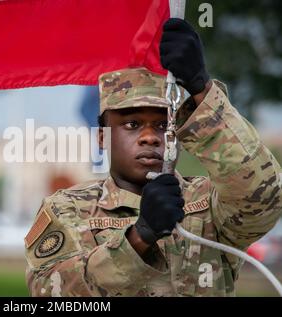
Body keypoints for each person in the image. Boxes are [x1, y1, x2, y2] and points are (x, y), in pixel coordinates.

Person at [24, 18, 282, 296]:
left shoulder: (209, 204)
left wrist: (201, 89)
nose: (150, 137)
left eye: (162, 124)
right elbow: (53, 292)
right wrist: (140, 236)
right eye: (132, 124)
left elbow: (265, 197)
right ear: (102, 137)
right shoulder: (68, 208)